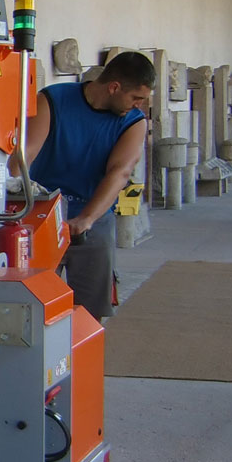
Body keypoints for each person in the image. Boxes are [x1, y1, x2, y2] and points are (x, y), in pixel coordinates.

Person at [22, 51, 154, 319]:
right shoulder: (53, 99)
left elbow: (120, 172)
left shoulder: (133, 122)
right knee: (30, 304)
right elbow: (25, 155)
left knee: (90, 313)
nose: (138, 105)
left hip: (94, 218)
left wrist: (87, 218)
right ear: (114, 87)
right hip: (41, 215)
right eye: (135, 97)